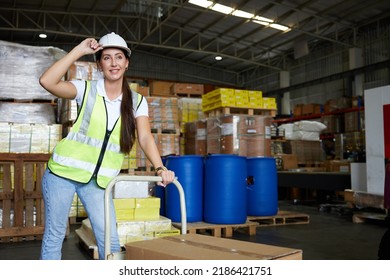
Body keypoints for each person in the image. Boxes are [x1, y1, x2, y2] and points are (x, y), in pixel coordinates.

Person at [39, 32, 175, 260]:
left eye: (119, 57)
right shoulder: (86, 89)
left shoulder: (137, 101)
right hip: (62, 174)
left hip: (97, 182)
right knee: (54, 236)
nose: (114, 63)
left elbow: (144, 137)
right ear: (99, 63)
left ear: (127, 62)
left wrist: (160, 168)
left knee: (110, 242)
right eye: (107, 57)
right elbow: (47, 81)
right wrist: (79, 51)